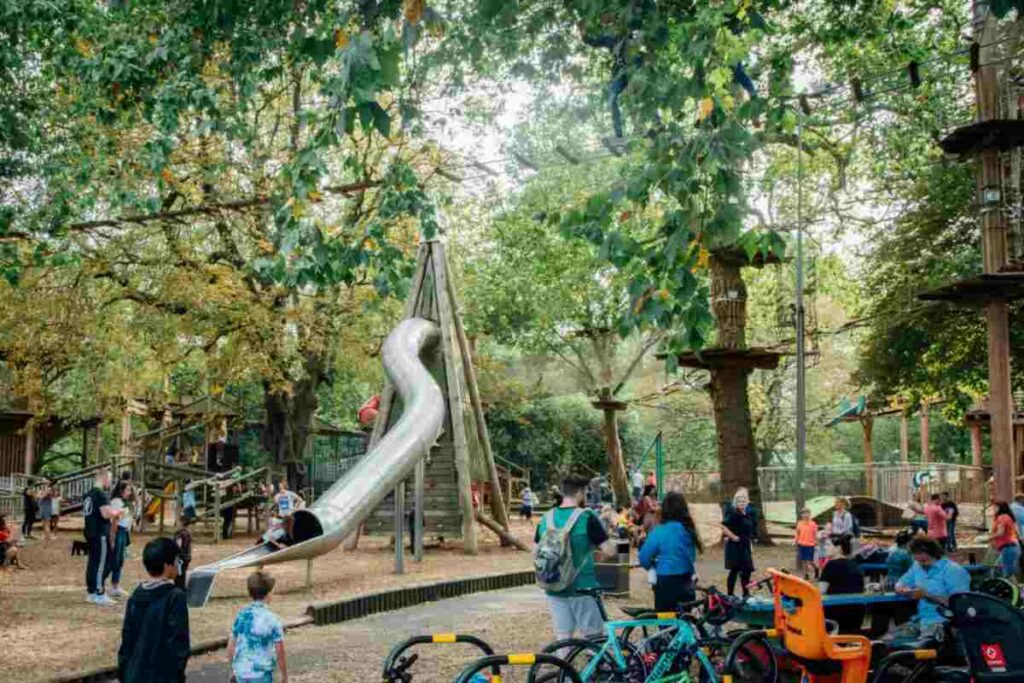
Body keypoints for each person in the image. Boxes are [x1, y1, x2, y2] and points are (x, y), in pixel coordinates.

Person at [534, 475, 609, 641]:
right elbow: (609, 551)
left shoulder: (545, 519)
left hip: (554, 586)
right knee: (593, 637)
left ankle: (563, 666)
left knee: (563, 638)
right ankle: (593, 665)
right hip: (583, 587)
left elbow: (536, 551)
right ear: (581, 493)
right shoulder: (587, 517)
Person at [117, 537, 191, 682]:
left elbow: (127, 639)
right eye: (177, 560)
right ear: (166, 565)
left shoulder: (135, 597)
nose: (178, 564)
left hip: (134, 674)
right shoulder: (175, 598)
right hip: (163, 675)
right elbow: (178, 642)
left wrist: (124, 671)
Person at [887, 536, 970, 646]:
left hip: (943, 623)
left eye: (924, 560)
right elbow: (901, 583)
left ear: (934, 554)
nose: (921, 564)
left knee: (917, 650)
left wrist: (927, 595)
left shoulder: (953, 571)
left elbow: (960, 605)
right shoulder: (917, 567)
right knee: (885, 643)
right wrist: (903, 590)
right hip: (921, 620)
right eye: (917, 560)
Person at [639, 492, 703, 610]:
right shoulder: (689, 529)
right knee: (684, 620)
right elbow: (692, 557)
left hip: (665, 582)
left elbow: (643, 558)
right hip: (686, 581)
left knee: (666, 621)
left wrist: (653, 566)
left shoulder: (659, 531)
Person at [228, 571, 288, 683]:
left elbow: (231, 644)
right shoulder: (273, 620)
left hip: (241, 673)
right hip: (261, 674)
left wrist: (232, 669)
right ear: (269, 593)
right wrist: (284, 675)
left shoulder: (241, 616)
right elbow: (280, 651)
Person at [84, 468, 124, 605]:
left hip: (90, 532)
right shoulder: (101, 494)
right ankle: (99, 593)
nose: (111, 482)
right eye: (110, 479)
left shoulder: (89, 494)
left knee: (92, 562)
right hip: (99, 533)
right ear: (104, 478)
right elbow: (106, 514)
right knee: (101, 562)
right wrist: (118, 512)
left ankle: (91, 592)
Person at [818, 537, 865, 634]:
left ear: (838, 548)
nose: (825, 547)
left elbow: (821, 591)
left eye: (828, 545)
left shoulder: (831, 565)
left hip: (836, 613)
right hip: (856, 613)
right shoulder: (855, 565)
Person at [721, 487, 757, 597]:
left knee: (747, 570)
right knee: (734, 571)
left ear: (747, 502)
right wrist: (732, 536)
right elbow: (723, 526)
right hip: (735, 547)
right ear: (735, 502)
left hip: (745, 546)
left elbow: (749, 531)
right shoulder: (733, 514)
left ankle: (746, 594)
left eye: (743, 501)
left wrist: (751, 542)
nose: (741, 503)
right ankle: (730, 595)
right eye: (739, 501)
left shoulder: (747, 515)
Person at [106, 481, 134, 598]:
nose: (130, 492)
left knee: (120, 559)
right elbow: (114, 520)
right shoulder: (117, 502)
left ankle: (115, 585)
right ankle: (105, 584)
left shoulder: (126, 502)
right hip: (117, 531)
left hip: (124, 531)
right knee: (114, 559)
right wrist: (112, 537)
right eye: (127, 490)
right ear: (121, 490)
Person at [991, 500, 1020, 578]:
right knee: (1000, 569)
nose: (993, 509)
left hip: (1007, 547)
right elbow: (1017, 533)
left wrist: (987, 538)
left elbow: (1000, 533)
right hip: (1012, 546)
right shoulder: (1009, 517)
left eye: (995, 507)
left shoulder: (1002, 517)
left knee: (1006, 573)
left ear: (1001, 508)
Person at [795, 507, 818, 580]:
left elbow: (815, 534)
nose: (806, 515)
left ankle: (816, 569)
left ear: (810, 514)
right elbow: (797, 533)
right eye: (804, 513)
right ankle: (806, 575)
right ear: (801, 515)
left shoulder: (813, 524)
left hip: (810, 544)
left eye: (807, 513)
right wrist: (796, 541)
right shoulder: (800, 523)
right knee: (804, 561)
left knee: (810, 561)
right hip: (801, 544)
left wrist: (815, 541)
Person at [174, 517, 193, 591]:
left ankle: (180, 591)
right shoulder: (188, 532)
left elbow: (178, 546)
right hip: (187, 556)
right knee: (182, 575)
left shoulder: (180, 534)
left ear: (182, 522)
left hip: (180, 558)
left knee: (179, 576)